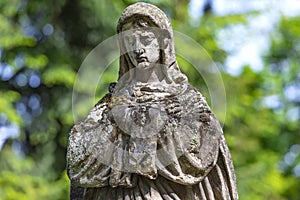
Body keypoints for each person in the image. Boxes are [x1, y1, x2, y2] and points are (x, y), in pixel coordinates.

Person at [67, 2, 238, 200]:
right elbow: (78, 157)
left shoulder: (186, 100)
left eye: (146, 39)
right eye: (130, 41)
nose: (138, 49)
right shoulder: (110, 103)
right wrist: (119, 125)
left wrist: (151, 126)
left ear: (163, 42)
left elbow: (202, 155)